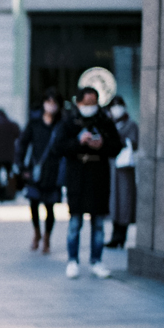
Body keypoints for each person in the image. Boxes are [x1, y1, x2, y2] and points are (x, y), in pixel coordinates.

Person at [53, 86, 122, 279]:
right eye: (86, 103)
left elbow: (117, 146)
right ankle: (72, 260)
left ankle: (96, 261)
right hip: (77, 178)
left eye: (93, 103)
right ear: (79, 103)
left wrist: (102, 144)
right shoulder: (69, 121)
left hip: (99, 177)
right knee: (75, 222)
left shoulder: (105, 121)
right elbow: (58, 148)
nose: (90, 107)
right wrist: (78, 141)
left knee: (98, 223)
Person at [16, 89, 65, 253]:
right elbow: (22, 144)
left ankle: (47, 237)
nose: (51, 106)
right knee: (34, 204)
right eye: (48, 102)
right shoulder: (34, 123)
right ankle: (36, 232)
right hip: (35, 170)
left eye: (54, 103)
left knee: (50, 207)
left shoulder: (61, 124)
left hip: (53, 172)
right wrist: (21, 166)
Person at [106, 96, 138, 248]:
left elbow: (134, 142)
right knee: (114, 202)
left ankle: (121, 236)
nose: (116, 108)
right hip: (112, 168)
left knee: (125, 202)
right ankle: (114, 236)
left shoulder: (131, 124)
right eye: (114, 105)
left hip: (125, 169)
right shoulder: (108, 123)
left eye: (119, 105)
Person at [0, 108, 21, 201]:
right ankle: (9, 194)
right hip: (9, 155)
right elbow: (18, 134)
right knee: (9, 175)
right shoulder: (12, 125)